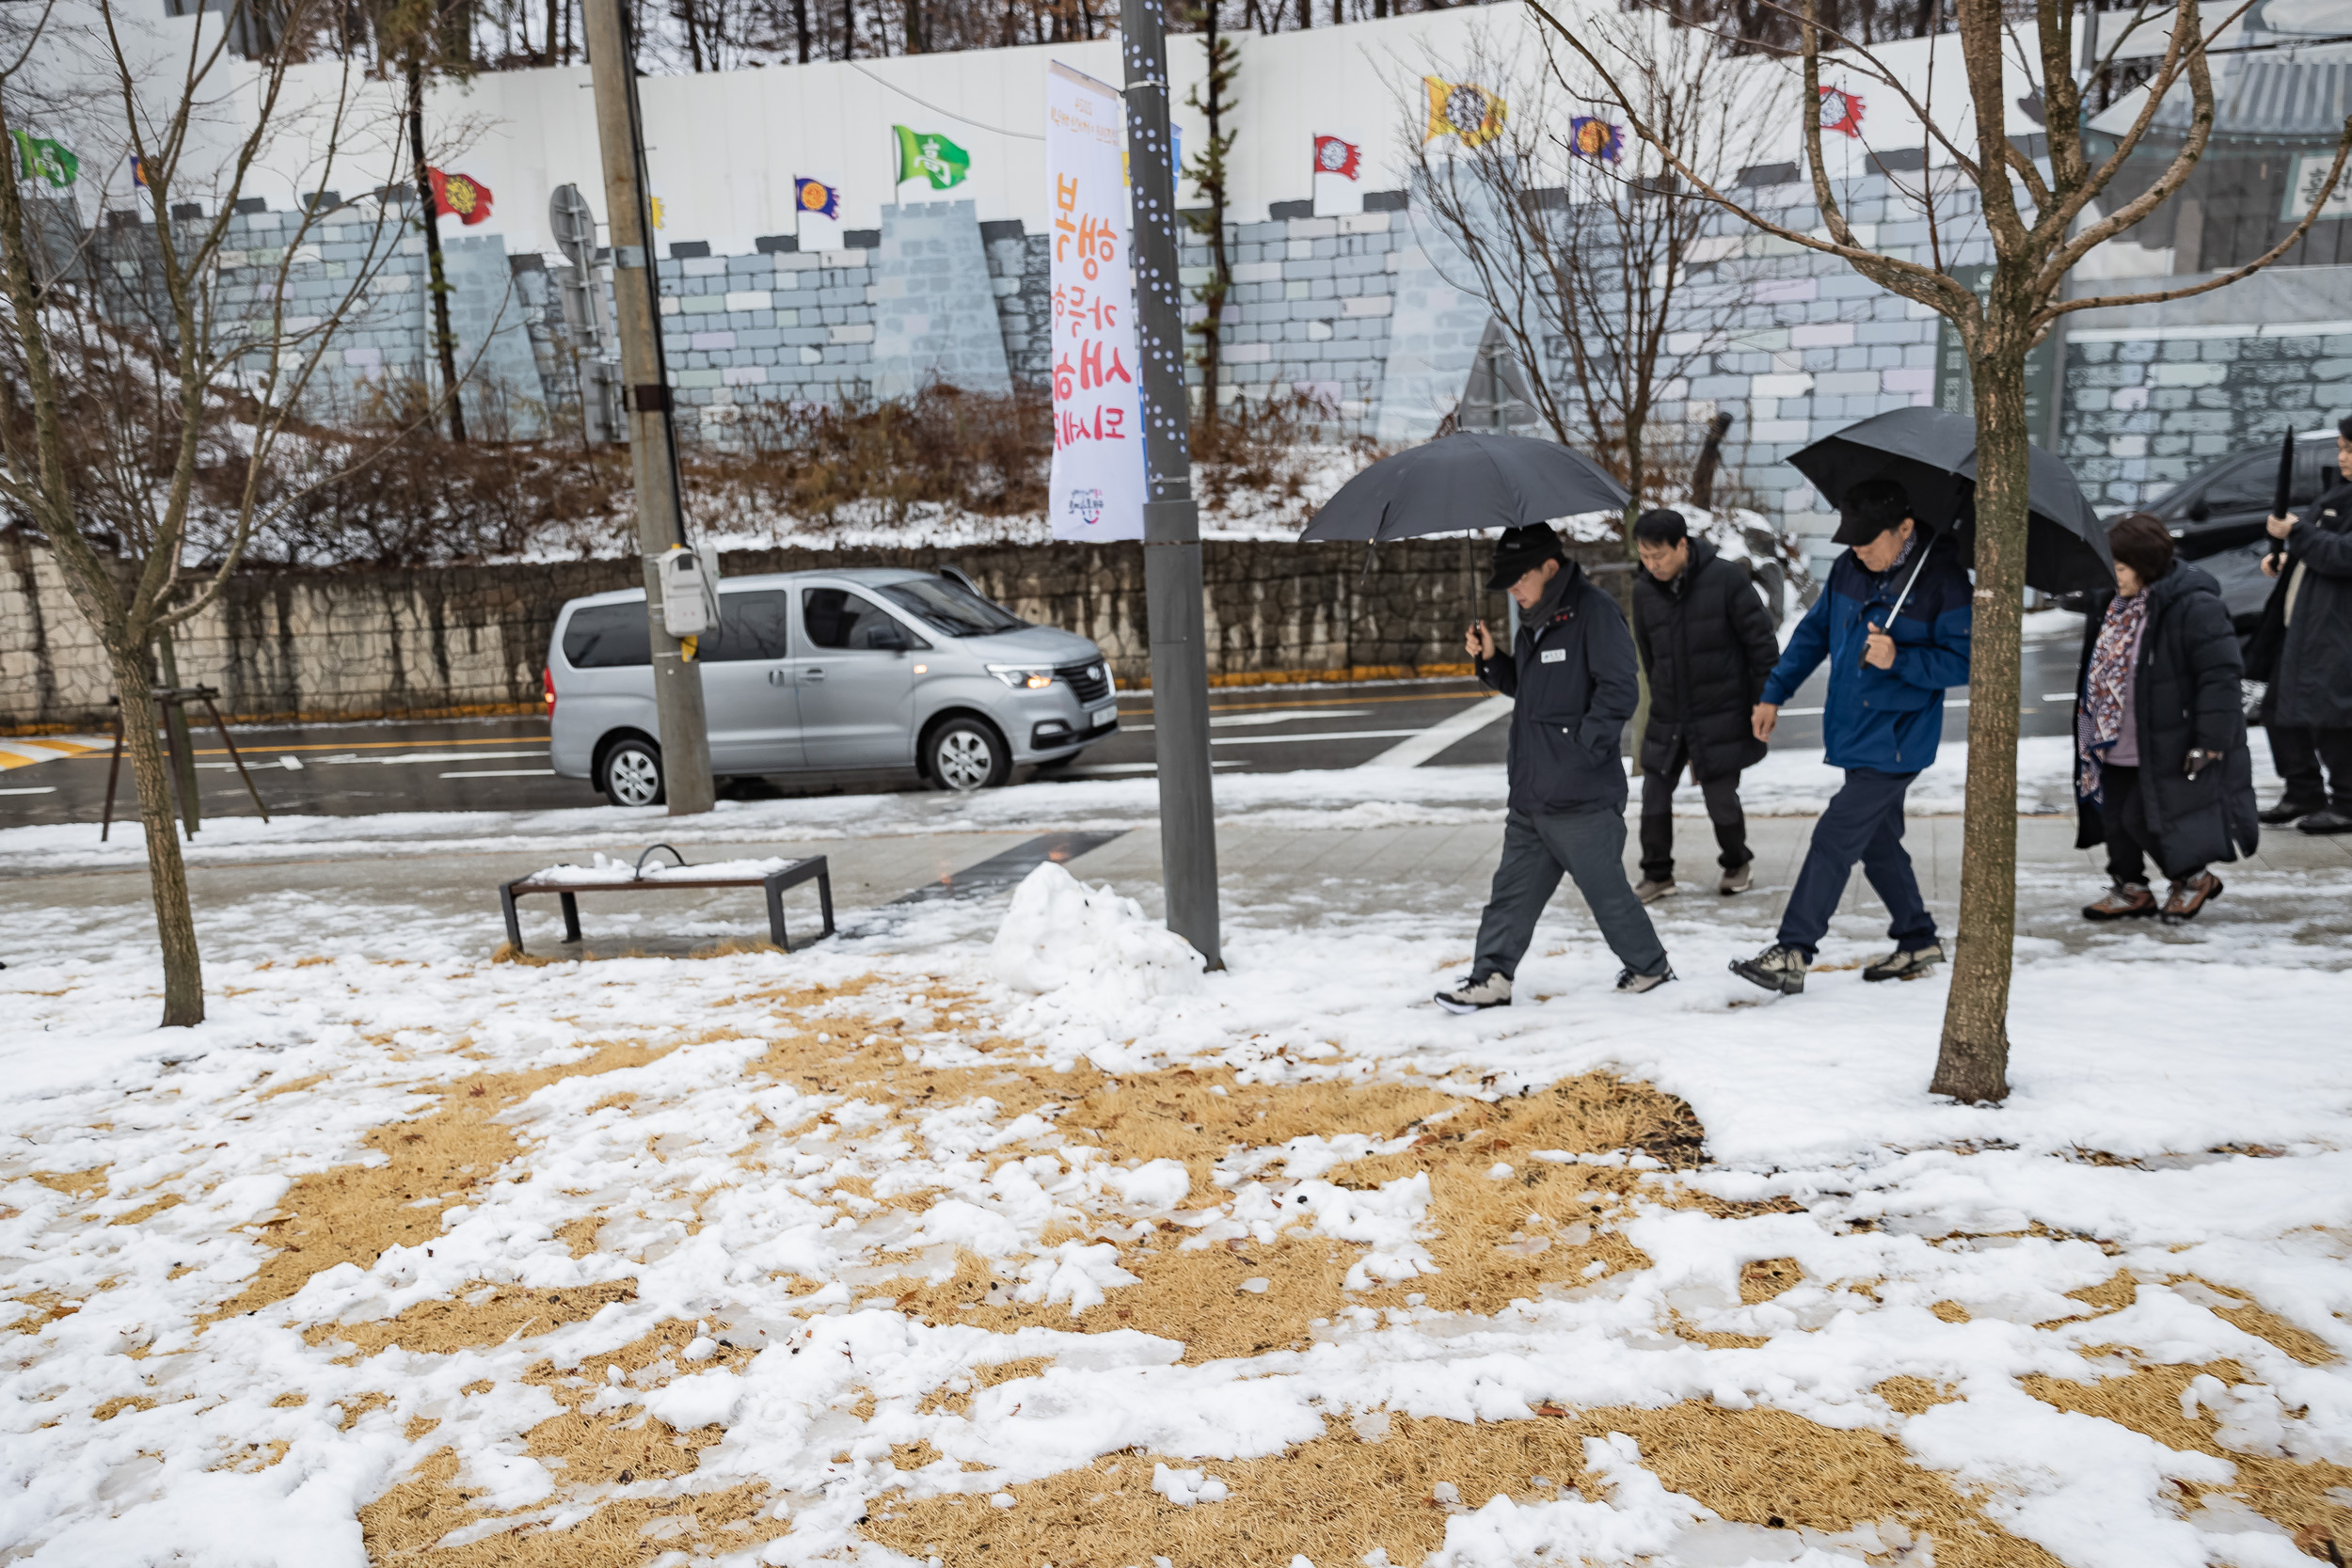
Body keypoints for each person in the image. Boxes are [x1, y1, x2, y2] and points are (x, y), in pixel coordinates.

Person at [1730, 479, 1972, 996]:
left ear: (1904, 528)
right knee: (1878, 843)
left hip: (1898, 737)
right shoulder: (1850, 569)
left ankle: (1793, 949)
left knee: (1835, 835)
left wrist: (1900, 658)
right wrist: (1774, 692)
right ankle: (1918, 938)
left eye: (1869, 543)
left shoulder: (1942, 580)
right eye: (1853, 545)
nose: (1860, 553)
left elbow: (1965, 660)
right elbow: (1814, 633)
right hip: (1852, 729)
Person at [1435, 524, 1674, 1011]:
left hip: (1581, 793)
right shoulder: (1537, 617)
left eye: (1519, 579)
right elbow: (1533, 689)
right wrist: (1492, 660)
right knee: (1510, 894)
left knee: (1606, 894)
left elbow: (1619, 690)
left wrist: (1583, 751)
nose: (1513, 591)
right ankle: (1491, 977)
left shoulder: (1593, 612)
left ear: (1549, 566)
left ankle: (1650, 966)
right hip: (1532, 791)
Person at [2074, 513, 2259, 922]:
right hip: (2111, 736)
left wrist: (2211, 740)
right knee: (2114, 820)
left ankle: (2194, 878)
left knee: (2145, 817)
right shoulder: (2112, 602)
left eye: (2119, 567)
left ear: (2145, 565)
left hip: (2166, 738)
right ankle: (2131, 888)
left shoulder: (2194, 606)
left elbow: (2220, 676)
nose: (2112, 574)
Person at [1629, 508, 1782, 902]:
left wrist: (1765, 700)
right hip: (1669, 712)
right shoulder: (1644, 590)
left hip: (1720, 711)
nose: (1653, 565)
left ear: (1682, 545)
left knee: (1720, 797)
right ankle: (1657, 874)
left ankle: (1736, 862)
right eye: (1645, 557)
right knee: (1655, 793)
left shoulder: (1727, 579)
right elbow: (1648, 655)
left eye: (1659, 556)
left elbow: (1761, 645)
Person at [2255, 414, 2352, 833]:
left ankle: (2348, 801)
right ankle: (2302, 790)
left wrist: (2298, 533)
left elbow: (2343, 555)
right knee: (2279, 709)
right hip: (2302, 626)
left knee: (2332, 716)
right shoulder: (2338, 494)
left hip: (2337, 630)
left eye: (2349, 448)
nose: (2342, 456)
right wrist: (2285, 556)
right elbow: (2317, 549)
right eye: (2341, 448)